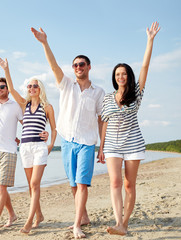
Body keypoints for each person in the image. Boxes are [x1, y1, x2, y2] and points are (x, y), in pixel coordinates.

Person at [31, 27, 105, 239]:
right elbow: (53, 67)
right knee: (73, 184)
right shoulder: (66, 85)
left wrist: (102, 146)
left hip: (87, 142)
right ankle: (84, 217)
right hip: (67, 141)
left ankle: (76, 225)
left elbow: (101, 119)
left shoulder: (98, 92)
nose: (78, 67)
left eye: (81, 64)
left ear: (89, 67)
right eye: (75, 65)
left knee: (82, 183)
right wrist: (45, 43)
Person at [97, 22, 160, 236]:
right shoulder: (107, 98)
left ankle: (125, 222)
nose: (120, 77)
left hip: (133, 143)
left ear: (128, 76)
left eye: (123, 74)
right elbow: (104, 122)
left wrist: (149, 41)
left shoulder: (136, 93)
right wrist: (101, 147)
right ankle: (118, 222)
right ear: (114, 78)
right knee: (114, 182)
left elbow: (144, 68)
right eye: (117, 74)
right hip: (113, 144)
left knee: (128, 185)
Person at [0, 57, 48, 234]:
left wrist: (44, 134)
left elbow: (29, 123)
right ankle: (13, 214)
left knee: (1, 187)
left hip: (9, 151)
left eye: (2, 87)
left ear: (7, 89)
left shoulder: (16, 106)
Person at [0, 57, 57, 234]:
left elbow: (53, 128)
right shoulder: (24, 104)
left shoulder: (48, 107)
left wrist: (51, 144)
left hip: (39, 148)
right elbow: (12, 89)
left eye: (35, 86)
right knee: (31, 185)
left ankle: (29, 221)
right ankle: (39, 215)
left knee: (35, 184)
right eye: (29, 86)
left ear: (40, 89)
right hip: (25, 148)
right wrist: (6, 69)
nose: (31, 89)